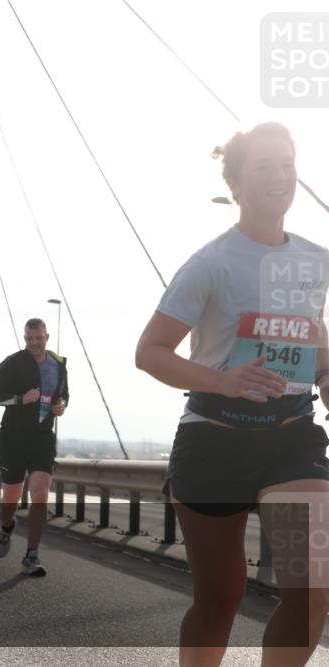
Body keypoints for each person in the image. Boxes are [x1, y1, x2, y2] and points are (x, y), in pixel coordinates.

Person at [135, 122, 329, 666]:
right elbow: (149, 352)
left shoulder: (316, 260)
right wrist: (225, 380)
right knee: (221, 597)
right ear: (237, 185)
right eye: (263, 167)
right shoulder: (211, 263)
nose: (279, 176)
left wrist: (327, 380)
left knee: (312, 588)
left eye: (287, 165)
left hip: (292, 438)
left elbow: (314, 333)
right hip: (215, 438)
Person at [0, 318, 68, 576]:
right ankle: (7, 525)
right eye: (29, 338)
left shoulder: (59, 365)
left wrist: (61, 405)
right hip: (13, 437)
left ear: (47, 337)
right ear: (25, 338)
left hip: (42, 437)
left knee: (40, 490)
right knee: (11, 495)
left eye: (38, 338)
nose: (34, 343)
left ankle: (31, 555)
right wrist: (20, 399)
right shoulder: (13, 362)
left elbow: (63, 394)